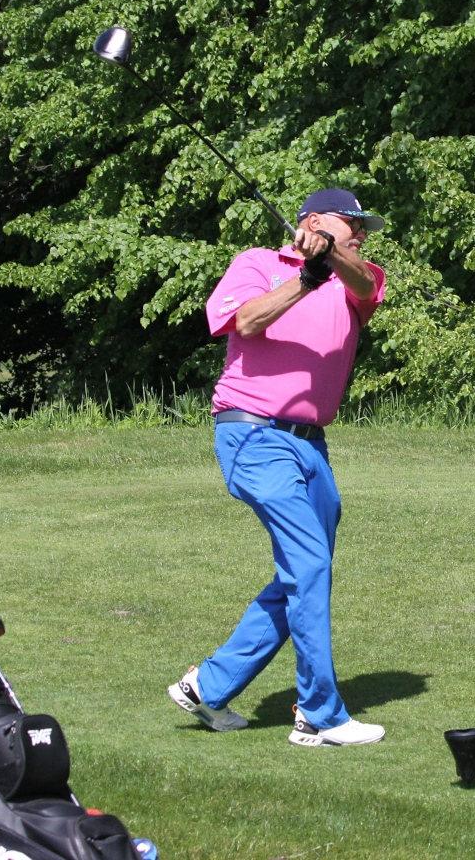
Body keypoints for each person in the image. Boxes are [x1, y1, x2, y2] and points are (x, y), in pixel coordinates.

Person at [167, 188, 388, 747]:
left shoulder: (353, 278)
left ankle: (209, 686)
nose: (362, 234)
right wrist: (305, 278)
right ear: (313, 221)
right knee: (309, 565)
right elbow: (243, 321)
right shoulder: (258, 263)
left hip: (313, 446)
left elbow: (366, 285)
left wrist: (329, 256)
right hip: (253, 433)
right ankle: (319, 715)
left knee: (304, 572)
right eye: (352, 223)